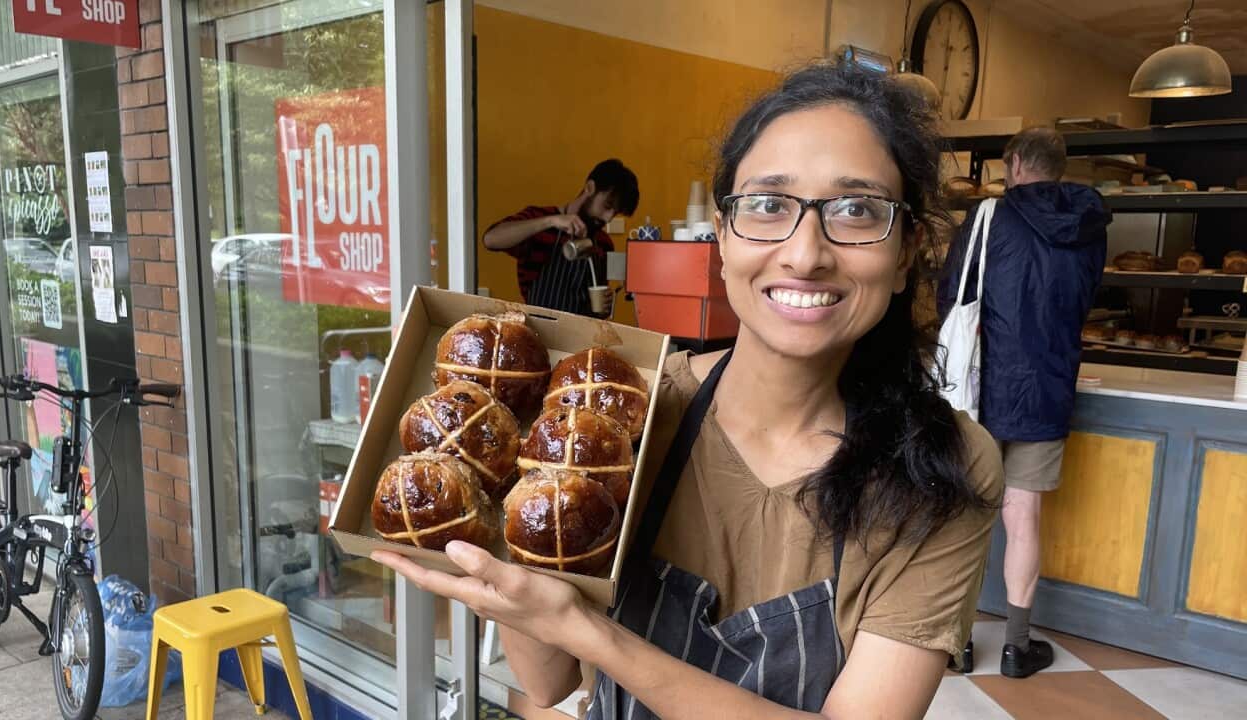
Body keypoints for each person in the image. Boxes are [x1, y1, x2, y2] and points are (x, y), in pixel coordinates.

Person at [375, 63, 1002, 718]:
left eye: (856, 209)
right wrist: (503, 555)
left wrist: (595, 636)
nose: (805, 253)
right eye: (768, 205)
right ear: (722, 238)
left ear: (905, 253)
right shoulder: (623, 421)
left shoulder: (943, 470)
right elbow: (547, 682)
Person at [937, 126, 1110, 678]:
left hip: (980, 391)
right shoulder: (1090, 224)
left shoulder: (989, 217)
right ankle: (1016, 647)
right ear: (1060, 167)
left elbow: (952, 295)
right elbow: (1083, 298)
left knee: (968, 516)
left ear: (1013, 163)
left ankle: (959, 643)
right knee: (1024, 517)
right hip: (1049, 388)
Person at [482, 159, 639, 317]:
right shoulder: (540, 220)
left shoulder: (603, 243)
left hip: (580, 330)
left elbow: (596, 302)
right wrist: (550, 221)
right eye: (607, 206)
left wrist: (602, 307)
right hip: (540, 328)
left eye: (615, 213)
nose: (608, 218)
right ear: (590, 188)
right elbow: (490, 239)